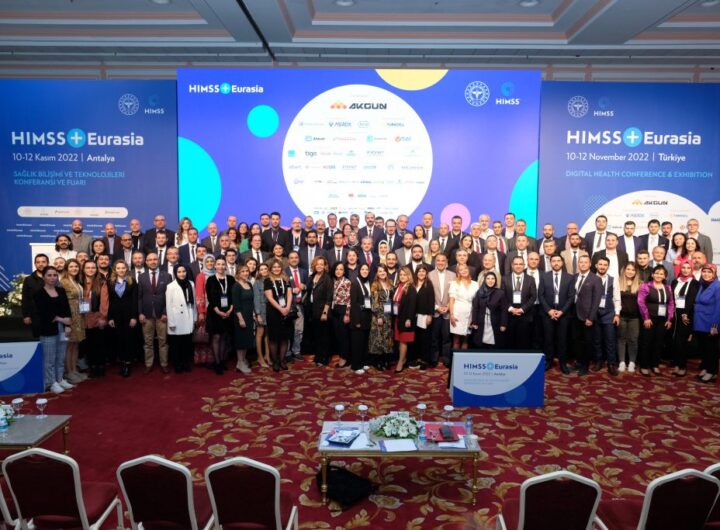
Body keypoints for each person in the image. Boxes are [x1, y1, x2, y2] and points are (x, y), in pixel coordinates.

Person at [34, 267, 73, 394]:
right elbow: (45, 313)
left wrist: (68, 325)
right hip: (48, 329)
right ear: (44, 277)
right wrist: (62, 320)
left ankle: (60, 379)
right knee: (49, 359)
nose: (52, 278)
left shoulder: (61, 290)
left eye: (55, 275)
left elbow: (66, 308)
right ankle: (51, 382)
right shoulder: (39, 293)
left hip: (63, 328)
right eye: (49, 275)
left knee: (61, 356)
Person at [538, 255, 575, 373]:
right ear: (550, 263)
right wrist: (549, 310)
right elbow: (541, 295)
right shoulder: (544, 276)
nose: (556, 263)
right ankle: (548, 361)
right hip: (547, 313)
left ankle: (563, 363)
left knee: (562, 339)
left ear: (562, 263)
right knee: (548, 339)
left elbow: (571, 296)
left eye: (558, 261)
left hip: (564, 314)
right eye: (553, 261)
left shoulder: (570, 277)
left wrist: (562, 311)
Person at [637, 265, 675, 376]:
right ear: (652, 274)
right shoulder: (646, 286)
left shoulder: (668, 287)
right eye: (657, 273)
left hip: (663, 320)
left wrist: (670, 319)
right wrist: (646, 318)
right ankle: (644, 365)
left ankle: (655, 364)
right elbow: (641, 302)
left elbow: (671, 303)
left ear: (665, 276)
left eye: (661, 274)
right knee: (646, 342)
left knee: (659, 342)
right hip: (649, 319)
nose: (659, 275)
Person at [137, 252, 171, 374]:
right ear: (146, 262)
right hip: (146, 314)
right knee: (148, 342)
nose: (153, 261)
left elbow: (169, 297)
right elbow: (139, 297)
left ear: (159, 261)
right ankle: (148, 364)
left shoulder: (167, 276)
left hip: (162, 314)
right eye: (150, 260)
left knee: (163, 341)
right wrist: (140, 313)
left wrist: (166, 312)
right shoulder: (141, 277)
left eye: (155, 259)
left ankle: (164, 364)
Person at [107, 261, 139, 377]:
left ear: (126, 269)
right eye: (118, 268)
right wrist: (110, 317)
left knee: (128, 340)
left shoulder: (132, 281)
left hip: (129, 315)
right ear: (115, 270)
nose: (121, 270)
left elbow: (135, 300)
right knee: (119, 340)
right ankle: (122, 363)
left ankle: (128, 364)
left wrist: (134, 317)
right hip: (116, 315)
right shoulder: (110, 282)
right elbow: (110, 301)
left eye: (123, 268)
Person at [572, 255, 603, 375]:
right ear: (578, 264)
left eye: (586, 262)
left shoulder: (596, 279)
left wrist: (591, 317)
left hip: (587, 316)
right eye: (581, 262)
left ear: (590, 264)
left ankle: (585, 365)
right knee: (576, 340)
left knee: (587, 341)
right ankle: (579, 362)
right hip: (574, 314)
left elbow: (596, 301)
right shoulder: (574, 277)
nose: (583, 264)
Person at [205, 256, 235, 375]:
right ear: (215, 266)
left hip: (228, 312)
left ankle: (222, 361)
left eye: (223, 264)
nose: (221, 266)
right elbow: (210, 298)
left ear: (225, 266)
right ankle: (217, 363)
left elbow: (233, 296)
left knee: (224, 337)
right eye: (218, 264)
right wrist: (218, 311)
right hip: (215, 312)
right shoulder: (211, 280)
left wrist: (230, 310)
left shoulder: (231, 279)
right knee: (216, 337)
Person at [264, 258, 294, 372]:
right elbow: (269, 297)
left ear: (281, 268)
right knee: (274, 339)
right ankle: (275, 361)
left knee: (284, 338)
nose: (276, 269)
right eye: (274, 267)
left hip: (286, 311)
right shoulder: (267, 280)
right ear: (271, 269)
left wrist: (287, 308)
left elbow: (289, 294)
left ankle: (282, 360)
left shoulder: (286, 279)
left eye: (278, 267)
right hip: (273, 312)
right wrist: (280, 309)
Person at [165, 263, 197, 374]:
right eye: (179, 272)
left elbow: (194, 303)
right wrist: (171, 322)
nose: (182, 274)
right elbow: (169, 305)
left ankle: (186, 363)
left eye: (183, 271)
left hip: (188, 317)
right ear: (175, 273)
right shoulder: (171, 286)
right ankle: (177, 365)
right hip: (176, 319)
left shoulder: (191, 283)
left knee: (187, 344)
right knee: (176, 345)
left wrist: (195, 317)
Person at [592, 257, 621, 376]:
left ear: (608, 267)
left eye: (605, 265)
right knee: (596, 340)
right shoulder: (591, 278)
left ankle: (611, 364)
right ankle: (598, 361)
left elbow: (617, 297)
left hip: (609, 313)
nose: (602, 267)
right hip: (594, 314)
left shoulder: (613, 280)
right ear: (596, 265)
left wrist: (617, 314)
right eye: (600, 264)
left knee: (610, 340)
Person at [59, 258, 86, 384]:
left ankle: (74, 370)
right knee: (69, 346)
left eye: (76, 266)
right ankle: (68, 372)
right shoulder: (63, 282)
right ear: (66, 269)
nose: (74, 268)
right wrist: (66, 321)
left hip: (79, 316)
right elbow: (61, 303)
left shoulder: (76, 281)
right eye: (71, 266)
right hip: (70, 316)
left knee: (76, 345)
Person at [80, 260, 109, 377]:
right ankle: (92, 367)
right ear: (83, 269)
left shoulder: (102, 282)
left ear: (96, 269)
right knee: (88, 344)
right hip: (83, 318)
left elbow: (104, 302)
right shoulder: (79, 282)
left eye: (93, 268)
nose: (90, 270)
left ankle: (100, 366)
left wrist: (103, 317)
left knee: (99, 343)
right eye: (88, 268)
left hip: (97, 317)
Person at [670, 261, 698, 377]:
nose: (685, 270)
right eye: (683, 268)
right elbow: (671, 297)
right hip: (675, 312)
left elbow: (691, 299)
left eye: (688, 268)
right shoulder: (675, 281)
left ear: (691, 269)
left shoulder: (695, 283)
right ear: (680, 269)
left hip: (686, 313)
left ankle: (682, 366)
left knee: (682, 340)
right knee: (675, 339)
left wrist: (685, 313)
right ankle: (676, 363)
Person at [502, 256, 537, 349]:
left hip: (525, 314)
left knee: (524, 342)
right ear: (512, 265)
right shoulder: (504, 279)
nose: (518, 266)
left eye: (520, 264)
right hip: (509, 315)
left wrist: (522, 309)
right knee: (509, 343)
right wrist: (511, 309)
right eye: (516, 264)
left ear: (524, 265)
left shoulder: (531, 279)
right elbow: (502, 297)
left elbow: (533, 297)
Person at [693, 264, 720, 384]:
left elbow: (719, 307)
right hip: (699, 321)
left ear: (714, 273)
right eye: (704, 271)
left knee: (711, 349)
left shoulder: (717, 286)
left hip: (710, 322)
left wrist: (715, 325)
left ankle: (712, 371)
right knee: (703, 348)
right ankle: (706, 368)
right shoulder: (702, 284)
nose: (706, 274)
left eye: (709, 272)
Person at [470, 272, 507, 349]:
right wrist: (474, 322)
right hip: (481, 323)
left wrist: (503, 324)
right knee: (481, 344)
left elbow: (504, 310)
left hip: (495, 323)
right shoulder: (479, 292)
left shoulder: (500, 293)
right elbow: (475, 308)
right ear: (485, 280)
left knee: (494, 345)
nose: (490, 281)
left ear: (495, 280)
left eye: (493, 279)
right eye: (488, 278)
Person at [369, 264, 394, 371]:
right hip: (379, 315)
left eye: (384, 271)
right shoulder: (375, 284)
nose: (382, 273)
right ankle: (378, 361)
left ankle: (386, 360)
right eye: (380, 271)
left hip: (389, 315)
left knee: (387, 337)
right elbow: (374, 302)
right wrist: (379, 316)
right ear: (377, 273)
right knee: (378, 337)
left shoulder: (390, 283)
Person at [449, 263, 478, 351]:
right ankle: (455, 359)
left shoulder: (475, 284)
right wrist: (451, 315)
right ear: (458, 273)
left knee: (466, 341)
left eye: (465, 268)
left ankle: (463, 360)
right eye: (461, 270)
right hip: (457, 314)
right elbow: (451, 300)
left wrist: (474, 317)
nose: (464, 271)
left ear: (468, 270)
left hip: (470, 314)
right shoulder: (454, 283)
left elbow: (477, 301)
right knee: (456, 341)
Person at [617, 262, 641, 373]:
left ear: (636, 272)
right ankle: (622, 362)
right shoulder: (618, 283)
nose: (630, 272)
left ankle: (632, 362)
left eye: (633, 270)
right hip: (621, 316)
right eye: (628, 269)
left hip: (634, 317)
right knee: (621, 339)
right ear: (624, 270)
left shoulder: (640, 284)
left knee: (633, 340)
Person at [393, 266, 417, 373]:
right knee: (399, 340)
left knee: (403, 341)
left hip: (406, 318)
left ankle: (400, 362)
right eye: (401, 275)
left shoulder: (411, 288)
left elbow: (412, 305)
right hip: (398, 317)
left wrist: (409, 319)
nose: (402, 276)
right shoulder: (398, 286)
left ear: (409, 276)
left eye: (404, 275)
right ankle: (403, 359)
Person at [349, 263, 373, 374]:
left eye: (366, 269)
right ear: (359, 271)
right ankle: (356, 365)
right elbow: (353, 304)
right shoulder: (355, 283)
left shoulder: (368, 282)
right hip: (358, 317)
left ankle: (363, 362)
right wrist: (356, 321)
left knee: (364, 341)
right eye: (362, 269)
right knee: (357, 343)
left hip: (367, 316)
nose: (364, 271)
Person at [327, 260, 351, 368]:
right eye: (337, 269)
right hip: (334, 309)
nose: (338, 271)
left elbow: (349, 300)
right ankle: (342, 355)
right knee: (337, 335)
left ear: (344, 271)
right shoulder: (333, 281)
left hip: (343, 309)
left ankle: (344, 358)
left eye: (341, 269)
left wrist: (347, 314)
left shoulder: (347, 282)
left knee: (343, 336)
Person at [231, 265, 254, 374]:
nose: (245, 273)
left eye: (247, 271)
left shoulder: (249, 284)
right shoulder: (236, 286)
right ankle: (240, 362)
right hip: (240, 317)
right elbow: (236, 305)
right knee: (241, 341)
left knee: (247, 340)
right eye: (242, 271)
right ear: (238, 274)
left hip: (249, 316)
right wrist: (241, 319)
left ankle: (243, 360)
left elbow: (252, 301)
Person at [413, 264, 435, 369]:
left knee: (424, 339)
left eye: (423, 271)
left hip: (424, 316)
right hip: (414, 316)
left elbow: (431, 301)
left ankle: (424, 361)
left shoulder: (428, 284)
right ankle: (417, 359)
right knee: (416, 339)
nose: (421, 273)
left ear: (426, 273)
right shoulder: (413, 284)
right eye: (419, 271)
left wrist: (430, 315)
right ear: (416, 273)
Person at [22, 254, 50, 337]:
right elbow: (25, 298)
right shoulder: (28, 279)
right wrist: (26, 315)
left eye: (43, 262)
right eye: (38, 262)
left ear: (48, 263)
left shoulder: (53, 277)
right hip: (35, 317)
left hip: (52, 316)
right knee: (38, 339)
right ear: (35, 264)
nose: (41, 264)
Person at [253, 262, 270, 368]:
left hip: (270, 310)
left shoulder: (270, 280)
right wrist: (258, 314)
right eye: (262, 269)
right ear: (258, 271)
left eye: (265, 269)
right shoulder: (257, 283)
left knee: (268, 335)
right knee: (260, 334)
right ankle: (260, 357)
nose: (264, 271)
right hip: (261, 311)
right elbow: (256, 299)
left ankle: (267, 356)